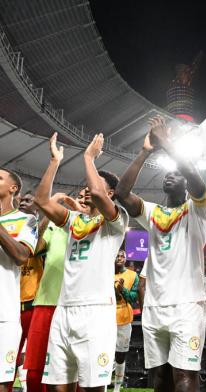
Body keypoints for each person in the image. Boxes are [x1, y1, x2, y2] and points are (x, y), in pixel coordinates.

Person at [115, 116, 206, 392]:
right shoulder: (153, 212)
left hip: (187, 305)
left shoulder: (199, 209)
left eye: (177, 173)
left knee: (185, 377)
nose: (171, 174)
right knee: (159, 377)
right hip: (154, 307)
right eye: (168, 173)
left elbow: (195, 177)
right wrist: (146, 151)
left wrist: (167, 142)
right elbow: (122, 192)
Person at [34, 133, 129, 391]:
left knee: (91, 388)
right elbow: (41, 201)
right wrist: (55, 162)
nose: (87, 187)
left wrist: (88, 157)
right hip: (64, 309)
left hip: (96, 312)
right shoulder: (75, 221)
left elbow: (98, 193)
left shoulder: (117, 220)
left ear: (110, 193)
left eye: (94, 183)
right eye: (87, 184)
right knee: (58, 387)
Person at [24, 192, 86, 392]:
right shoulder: (54, 225)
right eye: (80, 195)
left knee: (75, 370)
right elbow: (34, 245)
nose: (81, 199)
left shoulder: (101, 226)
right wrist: (48, 211)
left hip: (79, 305)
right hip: (47, 302)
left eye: (87, 196)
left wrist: (79, 214)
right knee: (35, 370)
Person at [0, 168, 38, 392]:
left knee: (2, 383)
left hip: (4, 316)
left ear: (13, 188)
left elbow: (21, 256)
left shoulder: (27, 220)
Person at [7, 192, 45, 392]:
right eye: (22, 201)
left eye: (29, 201)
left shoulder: (41, 230)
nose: (23, 203)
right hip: (9, 304)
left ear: (38, 209)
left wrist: (36, 220)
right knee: (8, 359)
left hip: (33, 304)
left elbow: (37, 248)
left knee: (34, 360)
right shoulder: (8, 226)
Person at [113, 249, 139, 392]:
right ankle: (103, 385)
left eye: (122, 256)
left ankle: (117, 387)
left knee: (120, 355)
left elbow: (134, 298)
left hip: (124, 318)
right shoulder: (106, 273)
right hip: (106, 317)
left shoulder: (133, 275)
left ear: (126, 258)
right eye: (117, 255)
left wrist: (122, 290)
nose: (119, 258)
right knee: (105, 351)